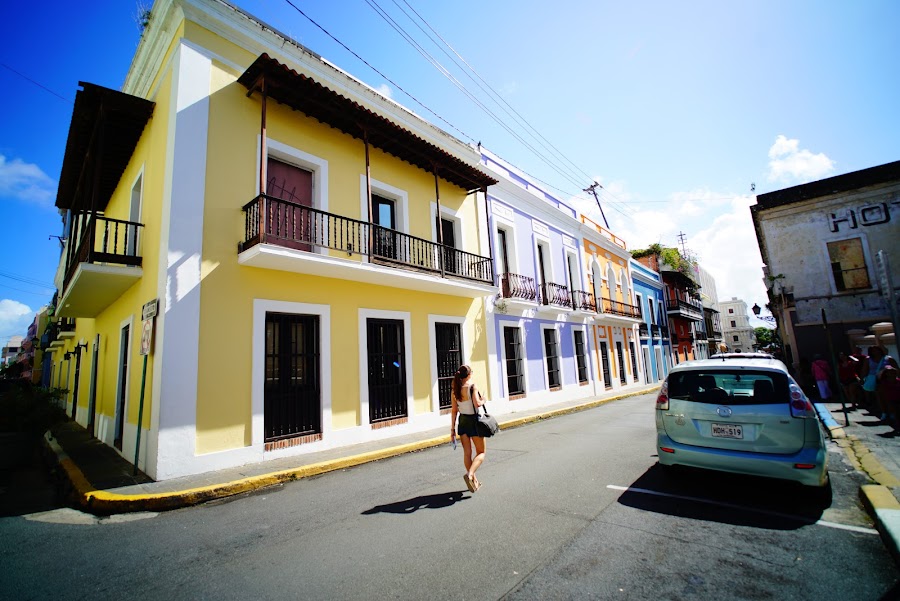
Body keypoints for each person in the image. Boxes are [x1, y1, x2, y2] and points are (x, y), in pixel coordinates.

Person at [450, 364, 486, 493]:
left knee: (467, 453)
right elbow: (477, 403)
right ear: (469, 374)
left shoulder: (455, 389)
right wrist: (483, 400)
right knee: (481, 452)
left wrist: (452, 430)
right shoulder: (472, 386)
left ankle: (474, 481)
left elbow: (454, 411)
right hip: (473, 421)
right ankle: (470, 474)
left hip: (462, 422)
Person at [862, 346, 887, 418]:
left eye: (877, 350)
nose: (875, 352)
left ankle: (889, 412)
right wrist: (862, 379)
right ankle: (883, 412)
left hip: (886, 379)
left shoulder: (887, 358)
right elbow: (865, 370)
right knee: (879, 396)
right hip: (874, 379)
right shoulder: (868, 359)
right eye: (873, 351)